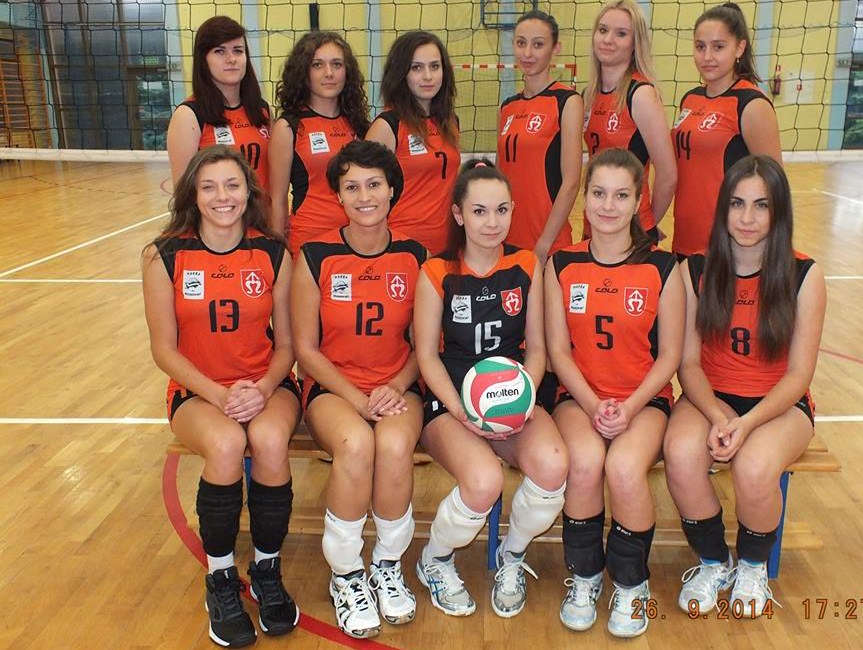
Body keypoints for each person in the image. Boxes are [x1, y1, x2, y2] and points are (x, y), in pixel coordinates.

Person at [142, 145, 300, 647]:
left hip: (267, 383)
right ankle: (221, 578)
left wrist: (263, 388)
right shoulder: (164, 255)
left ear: (248, 192)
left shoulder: (273, 252)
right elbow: (164, 350)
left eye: (232, 185)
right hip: (196, 390)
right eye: (208, 187)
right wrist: (217, 394)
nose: (221, 197)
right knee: (228, 444)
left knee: (270, 441)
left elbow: (288, 346)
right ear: (192, 194)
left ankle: (268, 571)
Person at [663, 155, 826, 619]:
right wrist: (719, 415)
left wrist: (747, 423)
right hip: (710, 396)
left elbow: (799, 376)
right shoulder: (695, 270)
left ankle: (753, 566)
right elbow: (688, 364)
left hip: (780, 404)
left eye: (761, 205)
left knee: (754, 468)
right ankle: (714, 561)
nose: (748, 218)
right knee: (680, 454)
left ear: (779, 212)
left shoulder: (804, 275)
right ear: (723, 209)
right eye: (737, 204)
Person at [413, 160, 568, 619]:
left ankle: (512, 554)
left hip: (513, 398)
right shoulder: (436, 271)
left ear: (513, 210)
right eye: (479, 211)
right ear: (459, 214)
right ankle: (435, 559)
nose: (491, 222)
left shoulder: (527, 265)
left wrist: (522, 400)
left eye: (501, 210)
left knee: (553, 465)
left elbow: (537, 349)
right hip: (450, 402)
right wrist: (463, 411)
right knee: (483, 483)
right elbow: (426, 355)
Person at [544, 148, 684, 637]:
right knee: (583, 463)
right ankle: (584, 578)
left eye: (621, 195)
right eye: (599, 193)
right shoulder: (562, 264)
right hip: (579, 396)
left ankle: (630, 583)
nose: (608, 206)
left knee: (624, 468)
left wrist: (628, 407)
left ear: (638, 201)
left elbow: (670, 357)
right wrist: (592, 404)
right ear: (585, 198)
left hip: (644, 400)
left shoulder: (664, 267)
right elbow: (558, 352)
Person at [290, 139, 426, 639]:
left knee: (393, 444)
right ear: (338, 196)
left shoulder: (415, 255)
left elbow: (426, 345)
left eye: (374, 185)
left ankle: (387, 565)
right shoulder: (315, 255)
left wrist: (396, 385)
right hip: (334, 389)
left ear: (392, 190)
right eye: (351, 187)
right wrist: (356, 398)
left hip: (398, 385)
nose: (364, 196)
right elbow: (306, 349)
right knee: (355, 443)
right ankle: (346, 573)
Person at [671, 2, 781, 257]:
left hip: (728, 246)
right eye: (700, 47)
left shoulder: (751, 104)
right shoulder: (690, 99)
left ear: (739, 48)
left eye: (718, 47)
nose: (707, 56)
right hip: (685, 236)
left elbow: (775, 184)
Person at [582, 0, 676, 243]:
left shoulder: (641, 94)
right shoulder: (587, 96)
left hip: (631, 229)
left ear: (635, 44)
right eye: (603, 30)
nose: (608, 39)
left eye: (621, 34)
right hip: (593, 225)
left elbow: (668, 174)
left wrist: (645, 224)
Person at [269, 31, 371, 256]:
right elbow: (277, 199)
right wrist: (276, 255)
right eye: (317, 65)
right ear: (303, 72)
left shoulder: (360, 126)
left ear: (347, 71)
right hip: (309, 240)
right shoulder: (288, 127)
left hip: (357, 239)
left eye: (337, 64)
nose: (329, 73)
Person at [497, 10, 584, 264]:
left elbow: (571, 181)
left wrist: (544, 245)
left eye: (538, 44)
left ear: (555, 48)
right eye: (521, 43)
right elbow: (499, 175)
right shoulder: (507, 107)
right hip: (505, 239)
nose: (527, 53)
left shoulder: (567, 101)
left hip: (547, 243)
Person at [366, 30, 460, 255]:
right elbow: (367, 195)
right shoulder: (387, 126)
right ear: (401, 74)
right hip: (402, 247)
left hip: (448, 244)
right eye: (416, 68)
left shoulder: (450, 121)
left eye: (434, 66)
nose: (428, 76)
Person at [167, 16, 272, 198]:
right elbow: (184, 196)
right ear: (203, 60)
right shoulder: (189, 116)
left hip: (263, 216)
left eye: (238, 51)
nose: (231, 59)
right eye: (220, 51)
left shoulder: (263, 110)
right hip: (221, 215)